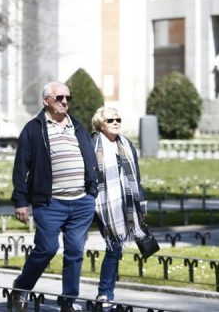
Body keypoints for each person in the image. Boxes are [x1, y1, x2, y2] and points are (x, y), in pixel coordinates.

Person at [10, 81, 99, 312]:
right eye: (59, 98)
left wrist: (92, 191)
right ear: (46, 101)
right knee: (47, 248)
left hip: (81, 202)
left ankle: (68, 301)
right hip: (50, 203)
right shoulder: (33, 129)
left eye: (68, 98)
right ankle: (21, 288)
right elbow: (20, 168)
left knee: (75, 252)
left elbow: (90, 159)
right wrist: (21, 201)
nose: (65, 102)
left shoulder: (77, 127)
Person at [89, 106, 146, 308]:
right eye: (110, 120)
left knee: (115, 248)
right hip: (100, 202)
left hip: (124, 201)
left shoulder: (126, 144)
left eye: (118, 120)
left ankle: (105, 294)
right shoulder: (92, 144)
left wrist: (140, 201)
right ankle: (97, 294)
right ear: (100, 124)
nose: (115, 123)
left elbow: (136, 175)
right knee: (105, 246)